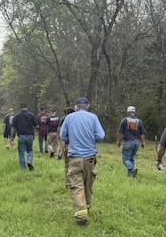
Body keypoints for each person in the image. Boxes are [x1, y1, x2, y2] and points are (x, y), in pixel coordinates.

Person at [59, 97, 105, 227]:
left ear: (76, 106)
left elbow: (63, 136)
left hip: (74, 158)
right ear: (88, 106)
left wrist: (72, 137)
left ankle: (81, 216)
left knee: (77, 186)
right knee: (88, 186)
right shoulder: (93, 118)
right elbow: (101, 136)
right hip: (90, 158)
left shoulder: (69, 118)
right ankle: (86, 209)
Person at [116, 106, 146, 177]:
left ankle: (132, 169)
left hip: (128, 142)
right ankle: (130, 175)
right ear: (134, 112)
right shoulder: (139, 121)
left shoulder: (125, 120)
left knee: (125, 159)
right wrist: (143, 142)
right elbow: (142, 133)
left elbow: (120, 132)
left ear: (128, 112)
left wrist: (119, 141)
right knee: (131, 159)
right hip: (137, 143)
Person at [11, 103, 37, 171]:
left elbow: (13, 128)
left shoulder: (17, 116)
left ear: (20, 108)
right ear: (27, 107)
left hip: (21, 136)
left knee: (21, 153)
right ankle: (29, 161)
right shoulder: (32, 115)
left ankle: (23, 168)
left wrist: (12, 138)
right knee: (30, 151)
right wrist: (33, 133)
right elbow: (36, 126)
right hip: (30, 136)